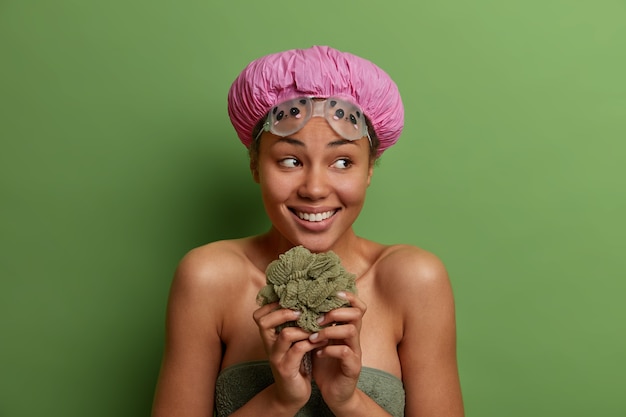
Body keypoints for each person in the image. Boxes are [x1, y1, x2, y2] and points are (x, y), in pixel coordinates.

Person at [151, 45, 464, 417]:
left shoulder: (414, 280)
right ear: (255, 165)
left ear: (368, 171)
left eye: (343, 161)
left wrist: (348, 400)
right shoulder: (207, 277)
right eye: (290, 160)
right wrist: (280, 401)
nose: (314, 188)